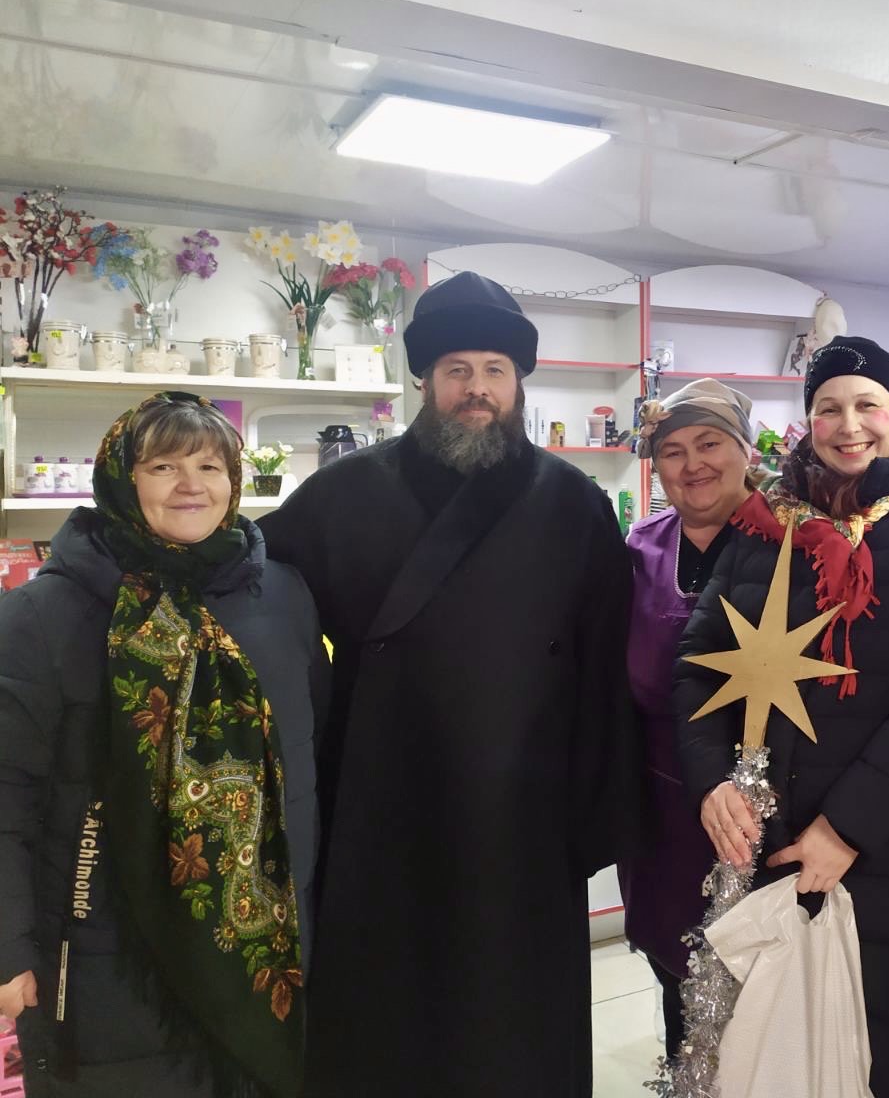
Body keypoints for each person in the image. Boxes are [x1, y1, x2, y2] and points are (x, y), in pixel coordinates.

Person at [256, 271, 640, 1096]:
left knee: (513, 1020)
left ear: (519, 383)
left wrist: (596, 812)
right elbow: (250, 585)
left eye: (495, 370)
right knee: (389, 1011)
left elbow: (607, 667)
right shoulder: (343, 493)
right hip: (379, 799)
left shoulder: (574, 503)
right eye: (457, 370)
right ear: (425, 382)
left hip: (524, 814)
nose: (477, 389)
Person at [674, 335, 889, 1098]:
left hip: (882, 851)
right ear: (808, 421)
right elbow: (697, 664)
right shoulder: (764, 523)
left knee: (872, 1049)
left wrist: (846, 828)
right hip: (759, 840)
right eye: (828, 409)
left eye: (867, 405)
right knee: (761, 1051)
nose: (849, 426)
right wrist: (710, 782)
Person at [0, 392, 323, 1097]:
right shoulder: (42, 615)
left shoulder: (281, 595)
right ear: (121, 478)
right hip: (109, 955)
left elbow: (312, 759)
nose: (190, 486)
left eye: (210, 466)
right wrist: (7, 946)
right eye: (163, 466)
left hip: (265, 951)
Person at [620, 378, 764, 1056]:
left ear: (746, 451)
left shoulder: (796, 543)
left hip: (766, 805)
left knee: (763, 996)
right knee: (680, 983)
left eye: (709, 444)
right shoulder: (637, 551)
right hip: (663, 809)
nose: (692, 464)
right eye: (672, 451)